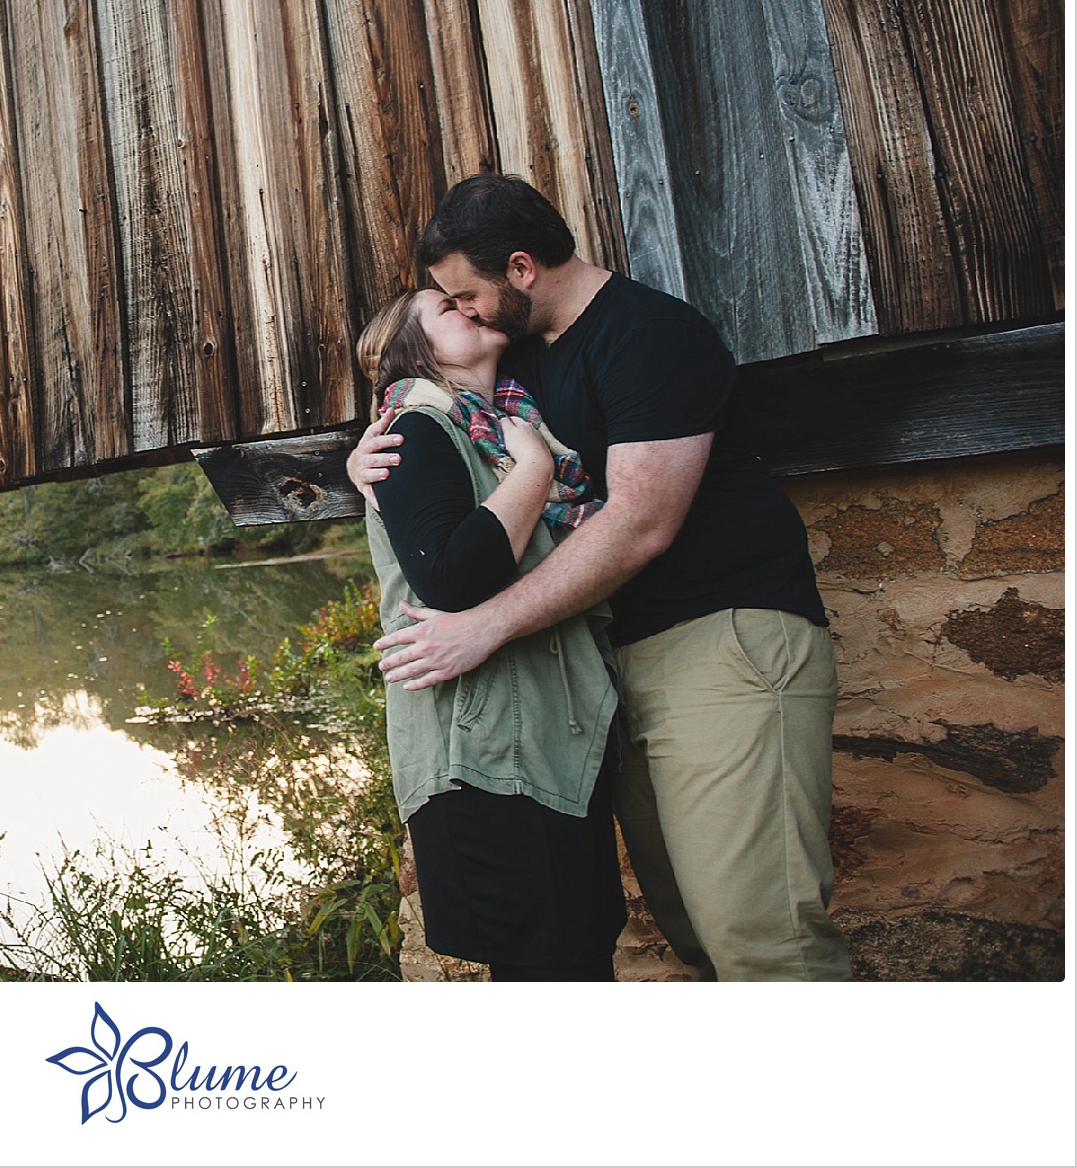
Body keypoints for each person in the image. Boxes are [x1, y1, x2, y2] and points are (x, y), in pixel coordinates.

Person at [351, 173, 852, 982]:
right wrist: (365, 462)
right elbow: (458, 441)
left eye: (467, 295)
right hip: (620, 661)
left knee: (762, 935)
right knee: (691, 925)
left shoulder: (649, 335)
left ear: (521, 269)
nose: (468, 312)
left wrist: (486, 626)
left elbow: (640, 523)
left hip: (722, 638)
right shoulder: (526, 375)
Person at [355, 286, 623, 981]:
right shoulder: (417, 428)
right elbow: (450, 578)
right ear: (416, 352)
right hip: (482, 758)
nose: (467, 307)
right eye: (447, 308)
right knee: (546, 972)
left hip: (547, 742)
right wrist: (533, 468)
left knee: (579, 959)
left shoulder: (509, 421)